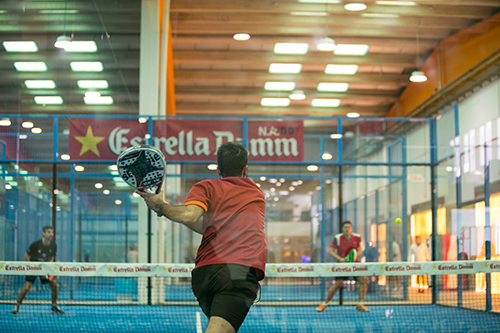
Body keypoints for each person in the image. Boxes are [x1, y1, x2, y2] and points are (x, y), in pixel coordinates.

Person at [136, 141, 266, 333]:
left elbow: (199, 223)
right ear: (245, 170)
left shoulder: (206, 187)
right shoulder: (256, 194)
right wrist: (161, 206)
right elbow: (189, 216)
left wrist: (161, 208)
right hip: (237, 273)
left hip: (204, 276)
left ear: (219, 170)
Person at [316, 221, 369, 312]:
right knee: (338, 284)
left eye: (348, 227)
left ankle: (360, 304)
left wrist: (355, 256)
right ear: (342, 229)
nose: (347, 229)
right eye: (345, 227)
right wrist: (340, 258)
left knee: (363, 280)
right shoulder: (338, 238)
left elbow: (359, 250)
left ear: (351, 228)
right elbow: (330, 251)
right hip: (342, 266)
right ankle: (324, 303)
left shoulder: (357, 237)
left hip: (354, 265)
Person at [11, 226, 65, 314]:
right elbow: (26, 257)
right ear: (44, 233)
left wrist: (49, 269)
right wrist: (31, 267)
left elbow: (52, 258)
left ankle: (54, 306)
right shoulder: (35, 244)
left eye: (52, 232)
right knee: (26, 287)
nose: (51, 234)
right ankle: (17, 306)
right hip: (34, 269)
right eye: (48, 232)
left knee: (55, 285)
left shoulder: (53, 245)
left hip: (44, 271)